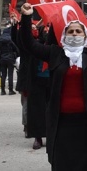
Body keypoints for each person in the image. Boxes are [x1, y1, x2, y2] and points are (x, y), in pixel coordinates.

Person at [19, 0, 87, 171]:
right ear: (64, 35)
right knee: (62, 164)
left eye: (78, 31)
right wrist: (26, 18)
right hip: (61, 123)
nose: (74, 34)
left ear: (85, 35)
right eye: (70, 31)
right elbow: (29, 44)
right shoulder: (55, 54)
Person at [16, 21, 51, 150]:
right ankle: (38, 137)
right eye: (45, 30)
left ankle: (51, 136)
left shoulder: (54, 46)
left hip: (52, 82)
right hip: (36, 81)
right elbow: (22, 39)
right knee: (36, 110)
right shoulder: (33, 46)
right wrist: (24, 20)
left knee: (51, 110)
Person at [0, 27, 19, 95]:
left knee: (3, 75)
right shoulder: (10, 40)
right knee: (10, 74)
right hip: (10, 59)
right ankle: (10, 90)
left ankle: (2, 90)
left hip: (2, 59)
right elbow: (16, 49)